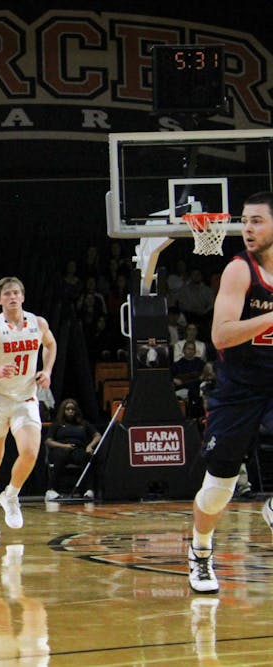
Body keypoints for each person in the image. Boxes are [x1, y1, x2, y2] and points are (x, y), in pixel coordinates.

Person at [188, 191, 273, 594]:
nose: (248, 228)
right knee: (219, 486)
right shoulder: (240, 271)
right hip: (240, 389)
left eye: (257, 220)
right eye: (245, 220)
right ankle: (201, 551)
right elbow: (221, 335)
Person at [0, 277, 56, 536]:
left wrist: (47, 370)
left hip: (25, 399)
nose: (12, 297)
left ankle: (11, 495)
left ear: (23, 297)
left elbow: (50, 345)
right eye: (7, 294)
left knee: (29, 452)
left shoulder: (38, 323)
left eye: (16, 293)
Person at [43, 399, 100, 500]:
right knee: (61, 456)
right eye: (67, 409)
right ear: (63, 410)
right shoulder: (57, 424)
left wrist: (90, 446)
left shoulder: (83, 424)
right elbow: (48, 441)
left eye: (73, 409)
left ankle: (89, 490)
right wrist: (64, 446)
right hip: (60, 449)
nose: (70, 411)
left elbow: (97, 435)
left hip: (77, 449)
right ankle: (51, 490)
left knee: (87, 457)